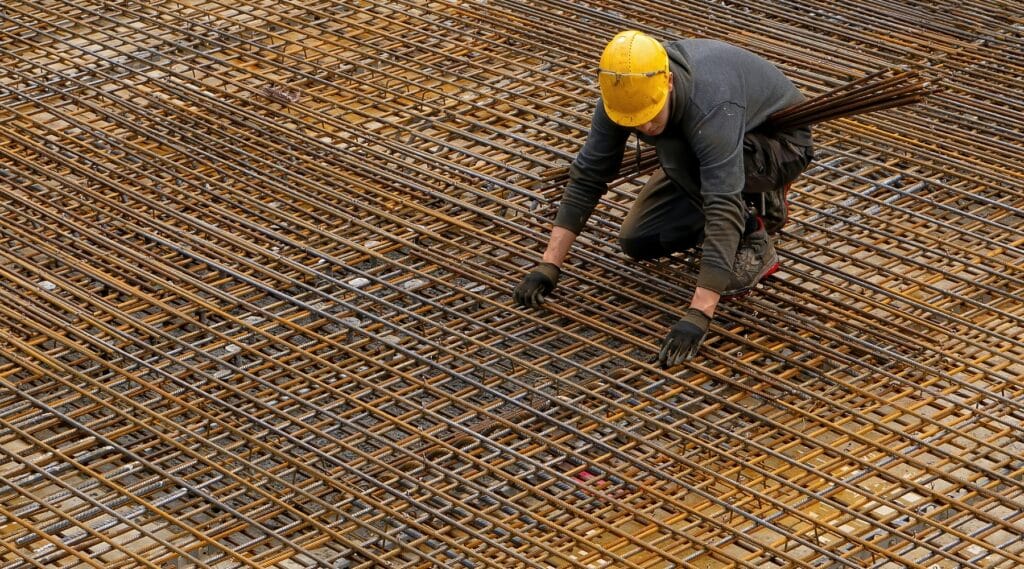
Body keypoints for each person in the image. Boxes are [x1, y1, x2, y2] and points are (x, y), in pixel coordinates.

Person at [513, 30, 814, 368]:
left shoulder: (710, 103)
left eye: (650, 115)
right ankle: (741, 205)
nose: (644, 126)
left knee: (675, 150)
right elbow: (589, 173)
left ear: (668, 82)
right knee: (638, 240)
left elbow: (721, 202)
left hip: (778, 145)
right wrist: (548, 264)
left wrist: (698, 314)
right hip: (703, 149)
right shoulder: (622, 93)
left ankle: (754, 231)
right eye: (635, 122)